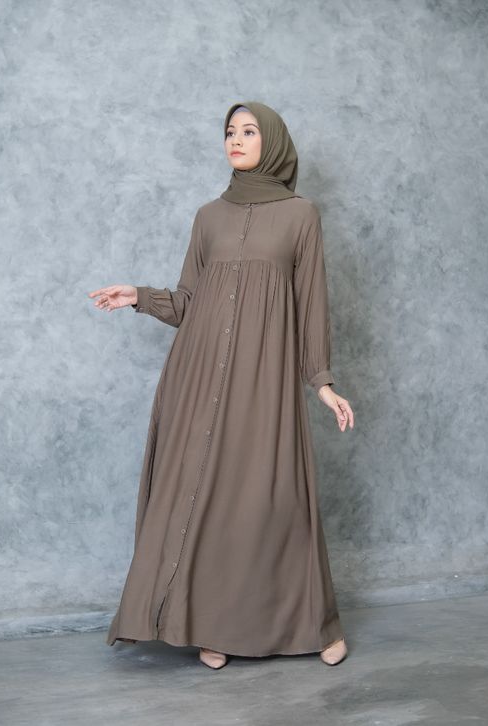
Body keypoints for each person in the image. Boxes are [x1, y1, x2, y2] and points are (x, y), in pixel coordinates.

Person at [89, 101, 354, 670]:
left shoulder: (301, 216)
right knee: (208, 499)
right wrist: (139, 296)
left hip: (266, 377)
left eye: (248, 131)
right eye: (230, 131)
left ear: (271, 140)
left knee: (272, 498)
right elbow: (189, 301)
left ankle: (314, 625)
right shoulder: (208, 216)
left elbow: (312, 305)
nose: (236, 139)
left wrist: (322, 382)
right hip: (199, 373)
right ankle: (213, 627)